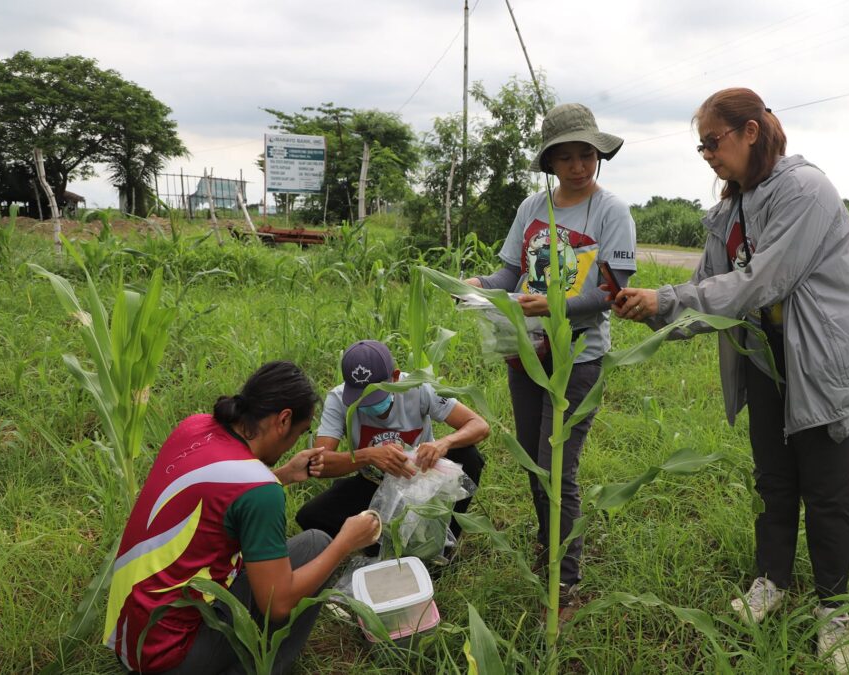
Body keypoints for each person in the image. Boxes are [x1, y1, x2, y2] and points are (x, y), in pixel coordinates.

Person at [613, 87, 849, 672]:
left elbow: (761, 282)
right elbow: (713, 295)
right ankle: (773, 583)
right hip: (769, 363)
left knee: (830, 498)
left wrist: (666, 299)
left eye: (713, 141)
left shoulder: (806, 191)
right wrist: (653, 310)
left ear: (750, 132)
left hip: (827, 369)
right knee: (774, 484)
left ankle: (835, 613)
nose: (707, 154)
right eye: (701, 146)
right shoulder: (731, 211)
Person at [465, 103, 637, 615]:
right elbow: (508, 276)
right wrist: (478, 286)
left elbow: (613, 292)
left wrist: (557, 304)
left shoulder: (611, 212)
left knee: (557, 467)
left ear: (598, 156)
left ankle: (567, 578)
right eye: (566, 157)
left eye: (586, 155)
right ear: (550, 162)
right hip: (526, 352)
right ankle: (549, 543)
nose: (578, 166)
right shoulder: (531, 207)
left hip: (578, 357)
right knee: (534, 464)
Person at [103, 361, 380, 674]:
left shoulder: (195, 427)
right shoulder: (260, 492)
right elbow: (278, 604)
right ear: (284, 420)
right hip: (169, 658)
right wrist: (345, 543)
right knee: (322, 546)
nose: (293, 444)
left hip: (131, 636)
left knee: (312, 542)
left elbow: (220, 496)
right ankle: (265, 667)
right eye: (299, 433)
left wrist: (284, 474)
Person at [295, 339, 489, 556]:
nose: (369, 406)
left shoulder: (419, 387)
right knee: (310, 516)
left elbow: (479, 425)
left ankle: (441, 548)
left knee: (469, 457)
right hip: (372, 483)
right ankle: (375, 545)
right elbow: (320, 464)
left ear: (395, 378)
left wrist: (443, 443)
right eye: (360, 399)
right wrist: (368, 456)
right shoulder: (338, 399)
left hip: (420, 480)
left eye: (375, 395)